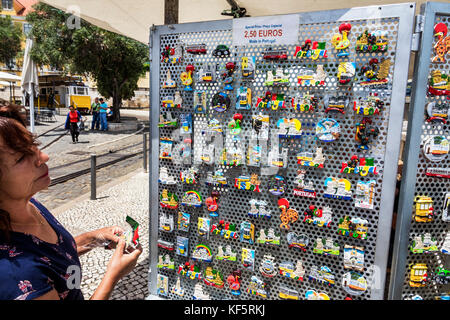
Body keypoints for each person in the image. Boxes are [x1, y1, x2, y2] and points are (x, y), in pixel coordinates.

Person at [0, 100, 142, 300]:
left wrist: (94, 239)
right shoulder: (18, 274)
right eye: (21, 157)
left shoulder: (30, 204)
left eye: (34, 145)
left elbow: (52, 256)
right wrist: (113, 275)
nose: (45, 156)